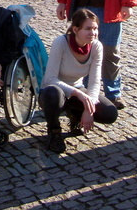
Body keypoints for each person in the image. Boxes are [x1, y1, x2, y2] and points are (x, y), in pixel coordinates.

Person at [40, 9, 118, 153]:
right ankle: (54, 131)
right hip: (54, 92)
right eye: (88, 29)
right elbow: (50, 79)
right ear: (76, 29)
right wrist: (78, 94)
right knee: (53, 93)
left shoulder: (96, 46)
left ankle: (75, 115)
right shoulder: (61, 43)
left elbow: (94, 82)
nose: (93, 33)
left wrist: (89, 109)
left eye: (95, 28)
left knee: (110, 113)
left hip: (78, 90)